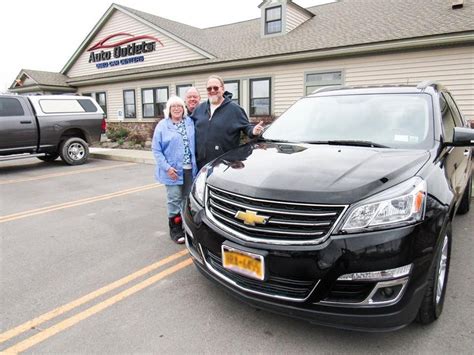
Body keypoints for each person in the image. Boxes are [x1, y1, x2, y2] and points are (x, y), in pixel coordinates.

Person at [192, 75, 264, 169]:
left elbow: (247, 127)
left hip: (224, 165)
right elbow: (187, 125)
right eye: (209, 89)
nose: (212, 91)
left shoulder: (234, 109)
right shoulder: (199, 109)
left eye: (215, 87)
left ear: (222, 89)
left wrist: (254, 131)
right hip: (201, 165)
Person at [152, 96, 198, 244]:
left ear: (183, 109)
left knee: (187, 200)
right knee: (174, 200)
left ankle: (187, 227)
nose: (177, 108)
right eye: (173, 106)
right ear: (169, 110)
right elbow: (156, 150)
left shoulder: (189, 123)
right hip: (172, 171)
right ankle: (175, 229)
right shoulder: (162, 125)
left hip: (189, 169)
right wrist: (166, 168)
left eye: (179, 106)